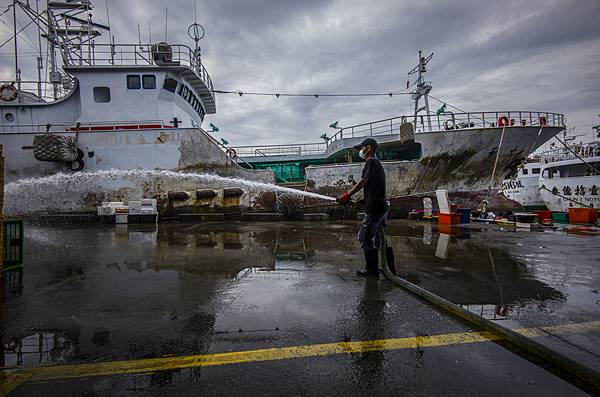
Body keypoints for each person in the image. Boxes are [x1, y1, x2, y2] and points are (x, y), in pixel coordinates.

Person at [338, 138, 389, 276]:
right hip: (381, 206)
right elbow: (374, 186)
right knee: (379, 239)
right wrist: (362, 201)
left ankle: (371, 270)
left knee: (365, 237)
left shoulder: (371, 162)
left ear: (368, 148)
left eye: (362, 148)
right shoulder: (377, 163)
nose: (360, 151)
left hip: (375, 209)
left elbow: (363, 182)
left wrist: (347, 194)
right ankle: (390, 269)